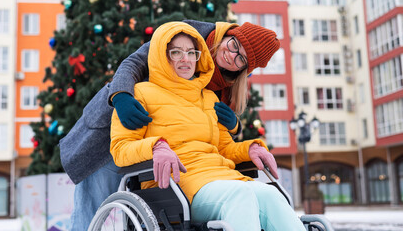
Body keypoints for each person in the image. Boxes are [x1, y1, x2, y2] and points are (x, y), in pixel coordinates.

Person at [61, 20, 280, 230]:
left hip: (168, 156)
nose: (232, 56)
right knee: (89, 212)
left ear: (245, 69)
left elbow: (216, 133)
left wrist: (236, 127)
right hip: (116, 126)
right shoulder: (189, 34)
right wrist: (121, 96)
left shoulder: (226, 81)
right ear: (229, 34)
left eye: (241, 59)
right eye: (234, 45)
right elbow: (134, 62)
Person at [110, 21, 304, 231]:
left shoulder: (210, 98)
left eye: (192, 53)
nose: (186, 59)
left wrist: (251, 148)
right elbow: (120, 149)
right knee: (240, 195)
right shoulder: (140, 94)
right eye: (176, 53)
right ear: (161, 54)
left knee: (271, 195)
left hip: (222, 177)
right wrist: (155, 147)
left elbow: (225, 148)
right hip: (177, 186)